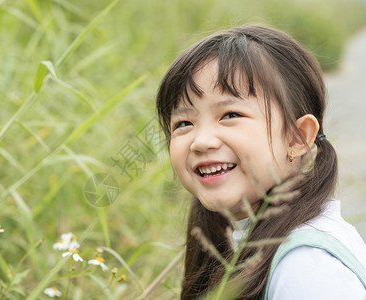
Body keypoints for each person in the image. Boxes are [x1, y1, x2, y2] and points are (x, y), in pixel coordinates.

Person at [156, 25, 366, 299]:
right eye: (184, 123)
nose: (201, 141)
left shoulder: (305, 267)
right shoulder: (252, 240)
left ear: (297, 138)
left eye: (230, 115)